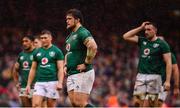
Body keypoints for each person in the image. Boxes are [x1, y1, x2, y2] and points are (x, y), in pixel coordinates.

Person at [123, 21, 172, 107]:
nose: (146, 32)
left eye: (149, 30)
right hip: (141, 77)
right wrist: (140, 28)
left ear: (155, 30)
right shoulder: (142, 41)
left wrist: (167, 81)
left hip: (155, 78)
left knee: (150, 105)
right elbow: (126, 36)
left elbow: (168, 62)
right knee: (137, 103)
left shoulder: (162, 44)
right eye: (145, 30)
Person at [64, 9, 98, 107]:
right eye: (66, 19)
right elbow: (68, 53)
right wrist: (65, 65)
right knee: (75, 104)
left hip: (82, 73)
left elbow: (93, 47)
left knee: (80, 103)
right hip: (71, 73)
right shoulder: (70, 36)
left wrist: (86, 64)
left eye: (70, 19)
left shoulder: (82, 32)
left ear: (77, 20)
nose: (67, 21)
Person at [25, 30, 64, 107]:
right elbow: (33, 69)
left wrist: (60, 82)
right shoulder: (37, 52)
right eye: (41, 38)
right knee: (35, 105)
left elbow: (60, 68)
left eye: (45, 38)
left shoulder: (57, 51)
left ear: (50, 38)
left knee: (50, 106)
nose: (43, 40)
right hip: (39, 82)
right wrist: (28, 84)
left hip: (52, 82)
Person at [13, 35, 36, 107]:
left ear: (32, 42)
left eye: (26, 41)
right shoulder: (21, 55)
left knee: (36, 106)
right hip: (23, 86)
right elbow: (15, 70)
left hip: (36, 86)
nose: (24, 43)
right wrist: (16, 83)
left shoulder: (38, 53)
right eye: (23, 41)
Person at [157, 36, 179, 107]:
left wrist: (176, 87)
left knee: (157, 104)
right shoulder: (150, 54)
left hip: (162, 85)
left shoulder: (170, 55)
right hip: (149, 83)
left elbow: (175, 70)